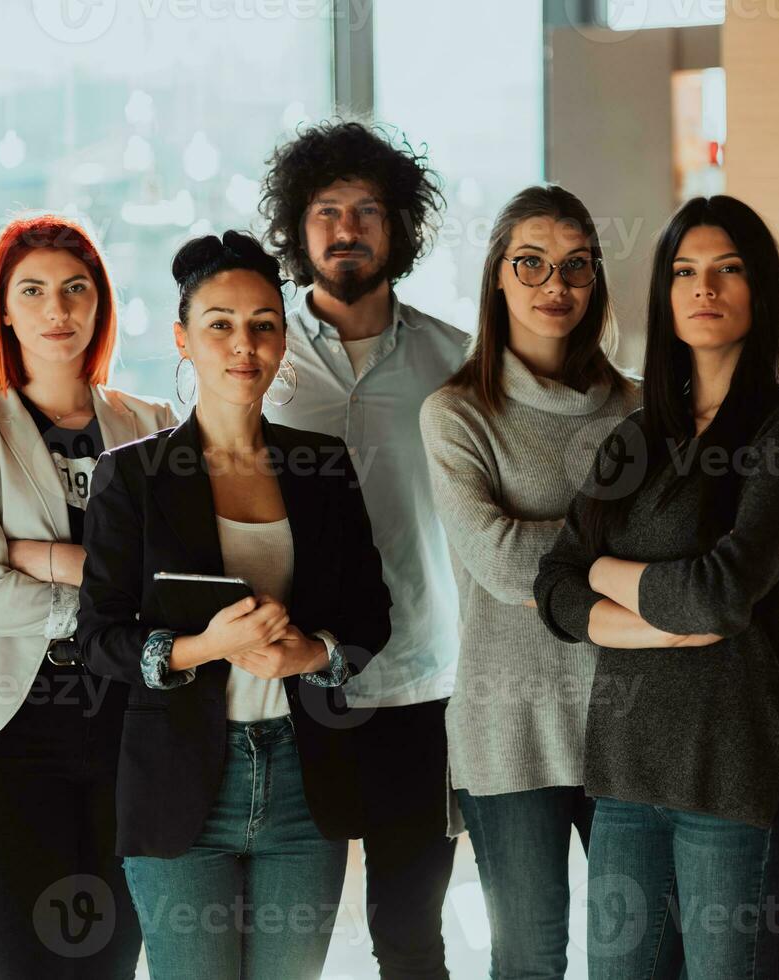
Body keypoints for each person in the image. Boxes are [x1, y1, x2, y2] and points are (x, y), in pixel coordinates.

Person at [76, 231, 392, 979]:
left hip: (301, 781)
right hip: (180, 787)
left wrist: (309, 654)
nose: (242, 343)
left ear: (282, 338)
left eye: (262, 324)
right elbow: (98, 638)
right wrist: (199, 648)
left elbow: (370, 615)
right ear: (182, 339)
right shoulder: (133, 477)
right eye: (218, 323)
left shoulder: (321, 465)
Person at [535, 195, 779, 979]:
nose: (704, 288)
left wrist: (606, 574)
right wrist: (646, 618)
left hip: (737, 772)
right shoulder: (636, 435)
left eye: (726, 270)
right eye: (684, 272)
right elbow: (554, 584)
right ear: (665, 296)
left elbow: (719, 595)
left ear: (758, 289)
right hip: (626, 777)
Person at [0, 214, 174, 976]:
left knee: (115, 951)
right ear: (5, 310)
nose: (58, 309)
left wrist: (43, 558)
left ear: (99, 304)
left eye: (76, 289)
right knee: (24, 955)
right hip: (8, 724)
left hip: (128, 717)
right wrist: (106, 581)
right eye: (35, 291)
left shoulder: (151, 425)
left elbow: (171, 580)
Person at [259, 120, 466, 977]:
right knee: (284, 935)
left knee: (409, 932)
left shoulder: (456, 362)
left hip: (421, 684)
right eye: (326, 210)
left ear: (400, 226)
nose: (347, 229)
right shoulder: (250, 352)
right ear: (297, 228)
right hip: (282, 683)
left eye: (368, 211)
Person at [419, 184, 638, 978]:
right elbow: (502, 563)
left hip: (630, 721)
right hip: (506, 726)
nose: (556, 286)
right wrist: (622, 547)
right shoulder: (456, 414)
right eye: (532, 264)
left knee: (635, 955)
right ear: (498, 278)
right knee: (528, 958)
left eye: (575, 267)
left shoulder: (642, 412)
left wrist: (570, 560)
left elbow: (682, 554)